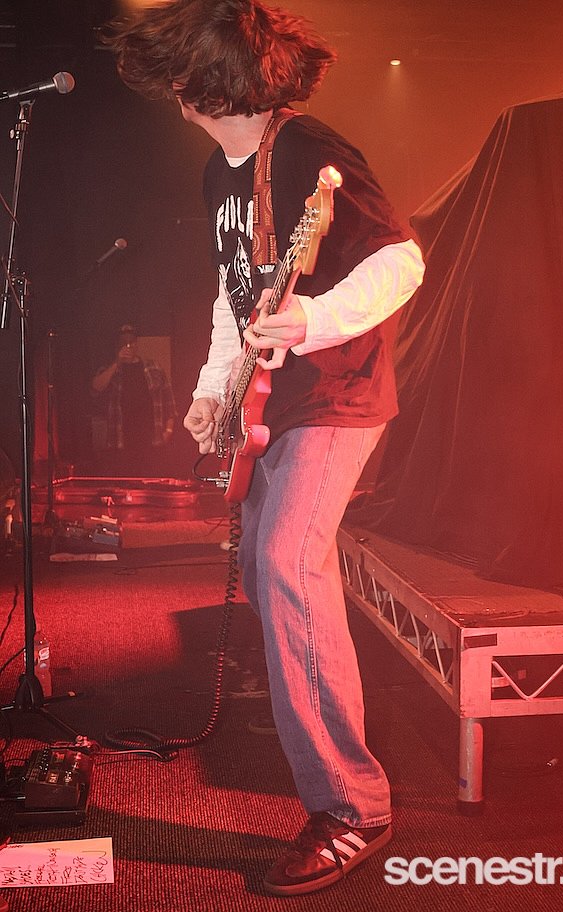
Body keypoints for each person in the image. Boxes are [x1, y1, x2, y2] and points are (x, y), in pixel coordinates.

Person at [107, 0, 425, 896]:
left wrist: (315, 318)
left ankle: (353, 807)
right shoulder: (220, 172)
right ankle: (304, 697)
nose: (169, 91)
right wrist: (212, 391)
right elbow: (234, 295)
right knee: (262, 562)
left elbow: (401, 260)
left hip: (336, 395)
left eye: (175, 73)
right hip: (274, 403)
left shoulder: (309, 146)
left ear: (200, 81)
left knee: (287, 562)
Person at [91, 324, 177, 476]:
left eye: (131, 342)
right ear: (117, 345)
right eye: (124, 343)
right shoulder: (110, 369)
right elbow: (96, 388)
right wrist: (117, 362)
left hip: (151, 439)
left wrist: (168, 430)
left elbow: (169, 401)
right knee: (124, 482)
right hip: (121, 441)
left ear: (137, 343)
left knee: (152, 481)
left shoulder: (153, 367)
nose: (128, 346)